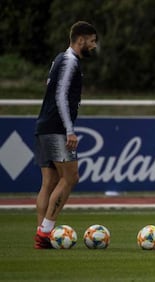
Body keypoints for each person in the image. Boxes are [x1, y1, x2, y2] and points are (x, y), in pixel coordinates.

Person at [33, 21, 98, 249]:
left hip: (44, 126)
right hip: (57, 129)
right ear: (80, 40)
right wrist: (69, 129)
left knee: (49, 182)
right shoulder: (70, 61)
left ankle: (42, 235)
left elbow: (49, 86)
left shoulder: (59, 59)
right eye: (91, 41)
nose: (93, 46)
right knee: (70, 177)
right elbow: (60, 96)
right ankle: (45, 231)